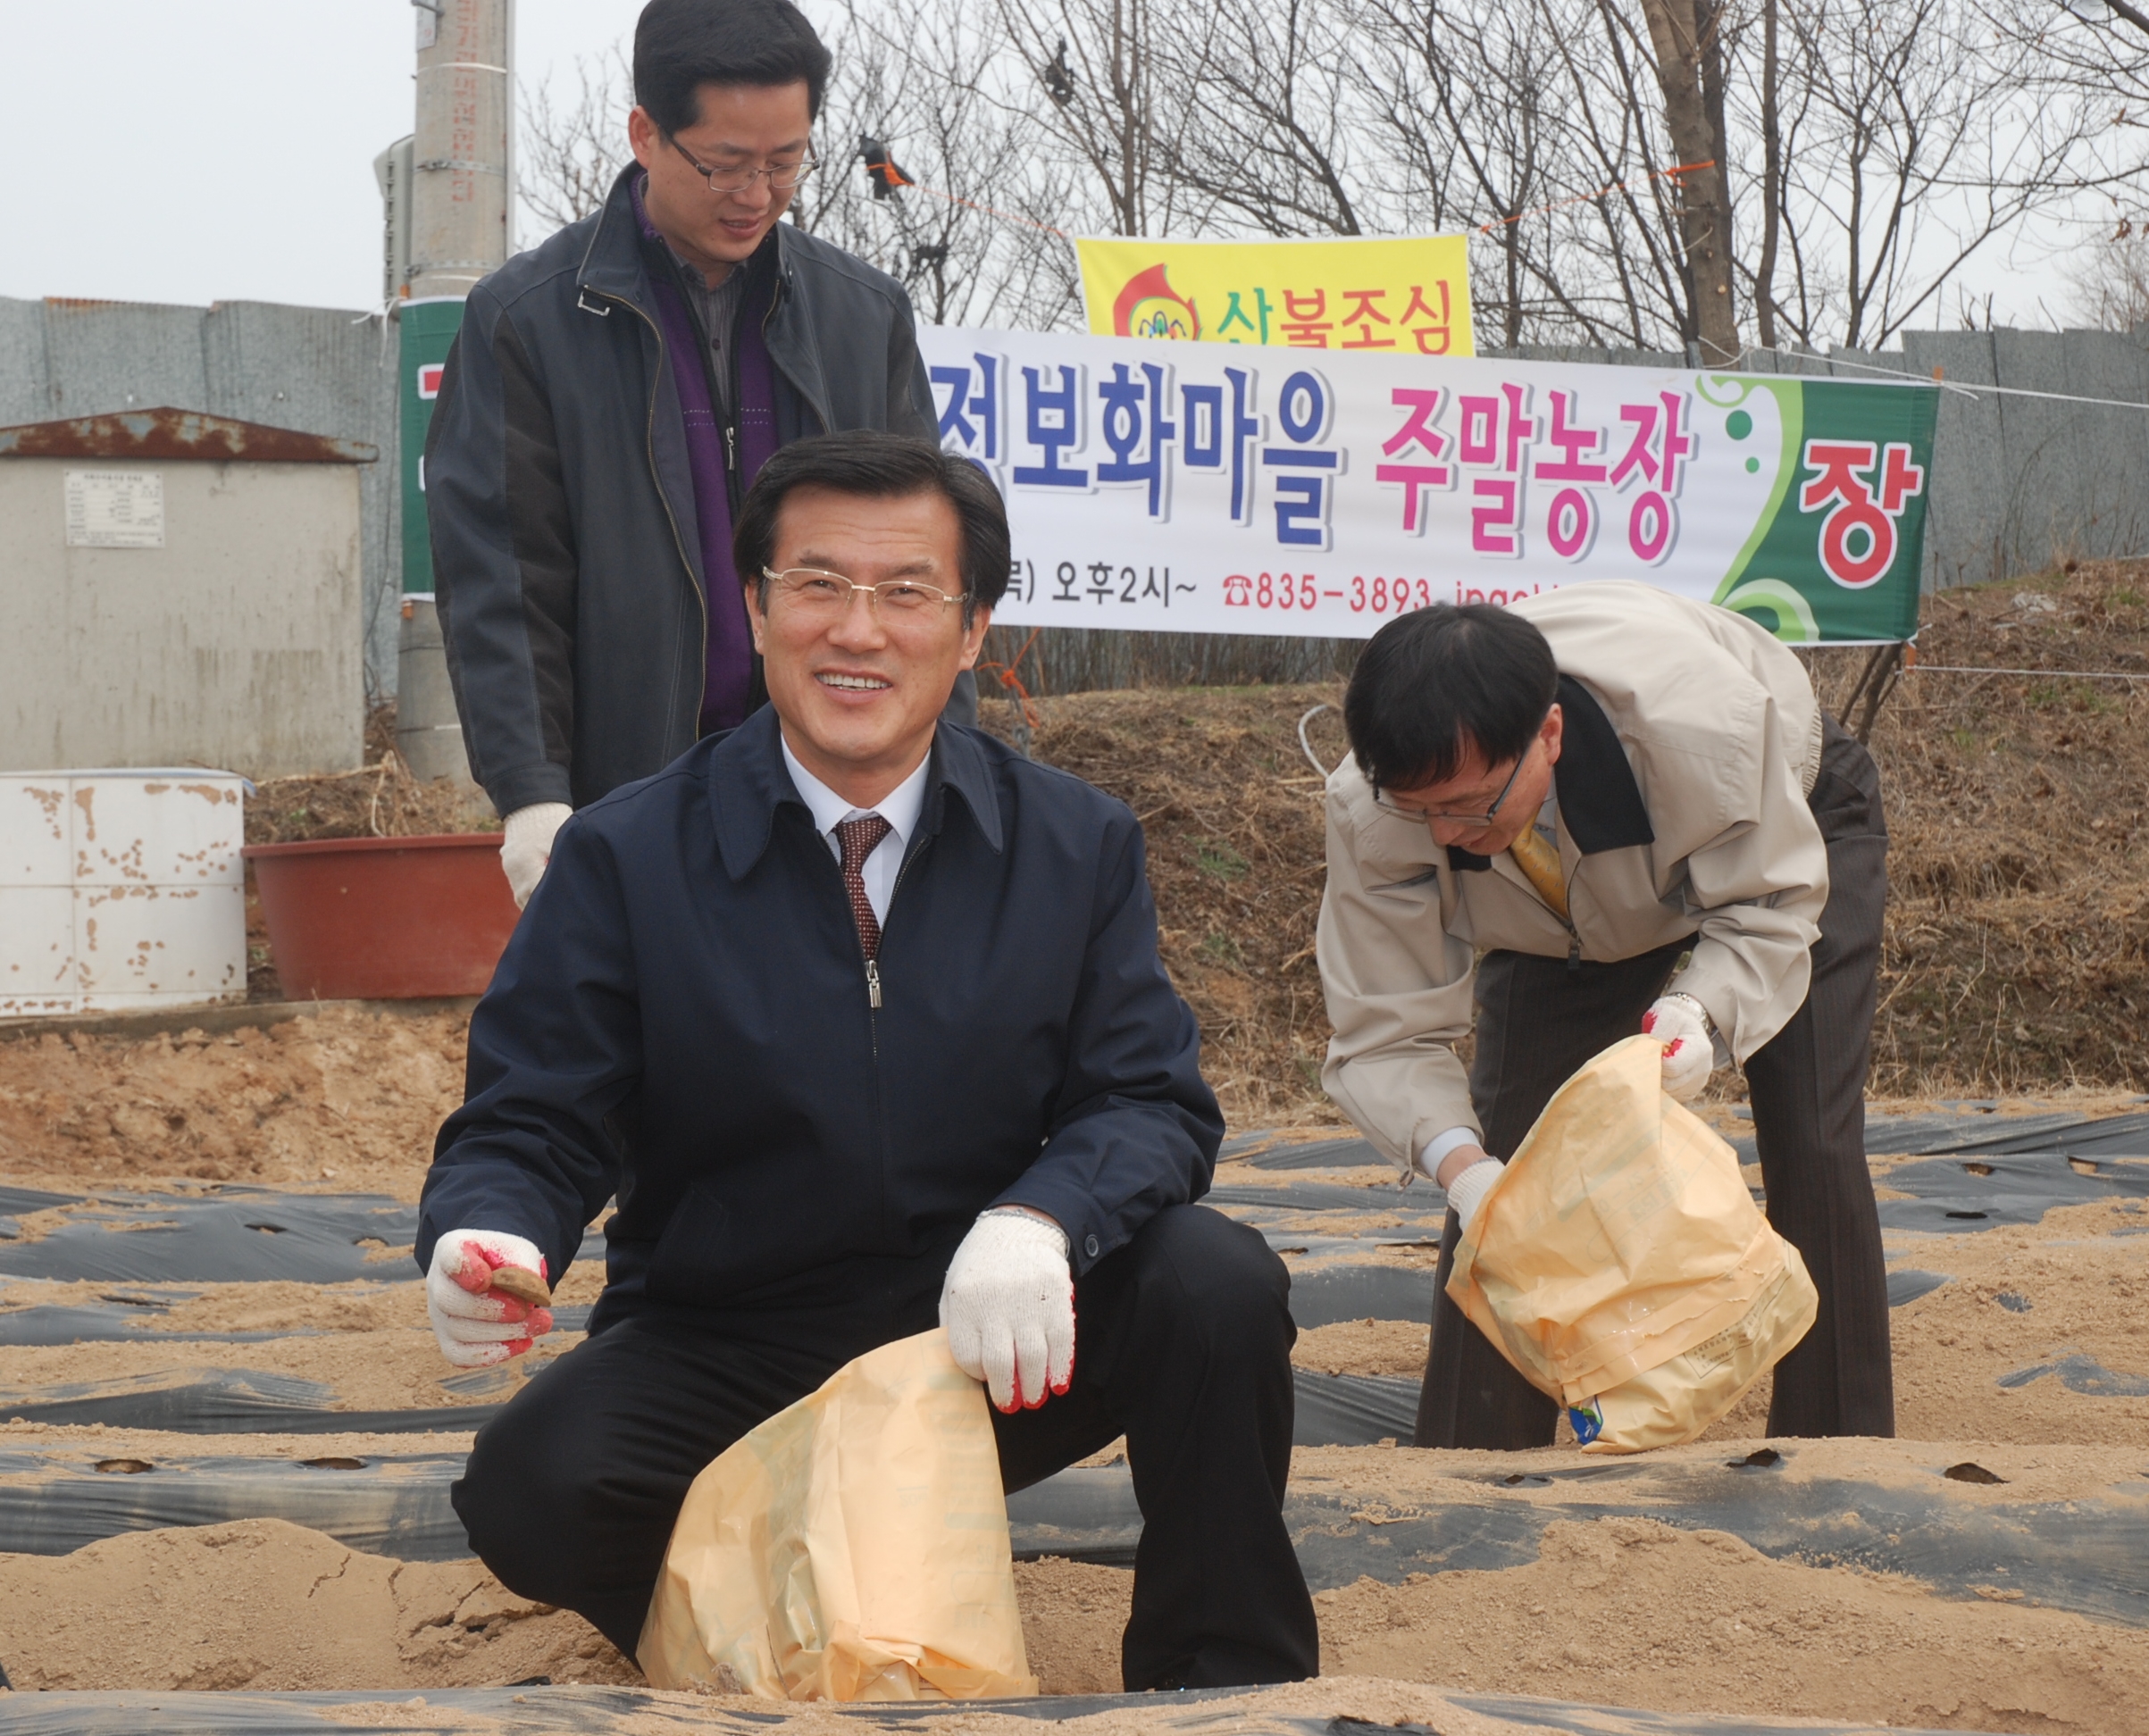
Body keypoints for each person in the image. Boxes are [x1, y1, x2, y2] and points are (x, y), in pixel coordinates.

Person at [416, 432, 1319, 1690]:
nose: (859, 630)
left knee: (1212, 1281)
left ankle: (1222, 1679)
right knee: (531, 1488)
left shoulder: (1072, 845)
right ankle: (752, 1621)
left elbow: (1147, 1098)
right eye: (817, 585)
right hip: (727, 1338)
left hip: (983, 1334)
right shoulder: (627, 857)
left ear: (968, 629)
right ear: (755, 607)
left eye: (906, 594)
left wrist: (1040, 1222)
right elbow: (534, 1112)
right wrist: (490, 1231)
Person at [423, 0, 974, 910]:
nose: (756, 193)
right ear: (647, 133)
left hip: (839, 794)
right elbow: (505, 584)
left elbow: (922, 559)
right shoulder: (527, 322)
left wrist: (948, 764)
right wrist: (533, 797)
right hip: (630, 796)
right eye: (724, 164)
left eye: (785, 161)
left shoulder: (860, 314)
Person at [1316, 583, 1893, 1448]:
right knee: (1512, 1158)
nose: (1443, 835)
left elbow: (1769, 908)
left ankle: (1835, 1446)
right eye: (1419, 810)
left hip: (1775, 826)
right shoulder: (1377, 812)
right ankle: (1476, 1453)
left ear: (1548, 735)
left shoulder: (1706, 729)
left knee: (1810, 1131)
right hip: (1556, 911)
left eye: (1468, 805)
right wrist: (1463, 1168)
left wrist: (1699, 1012)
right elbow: (1383, 1029)